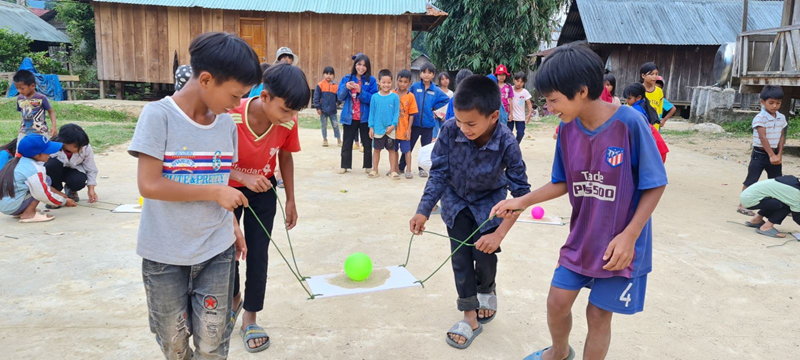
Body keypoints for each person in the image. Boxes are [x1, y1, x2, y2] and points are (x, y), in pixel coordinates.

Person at [492, 43, 667, 360]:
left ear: (583, 91)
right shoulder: (567, 129)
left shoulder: (629, 123)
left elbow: (655, 184)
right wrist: (522, 201)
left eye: (553, 99)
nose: (549, 106)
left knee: (598, 316)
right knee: (556, 303)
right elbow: (562, 181)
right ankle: (559, 352)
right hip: (582, 239)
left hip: (620, 246)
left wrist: (630, 236)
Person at [127, 32, 259, 359]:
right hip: (164, 255)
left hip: (216, 250)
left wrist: (232, 224)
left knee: (213, 342)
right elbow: (150, 185)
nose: (237, 104)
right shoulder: (158, 116)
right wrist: (216, 193)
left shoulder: (226, 126)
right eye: (234, 95)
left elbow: (217, 178)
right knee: (173, 343)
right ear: (206, 79)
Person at [409, 75, 530, 349]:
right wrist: (423, 210)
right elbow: (438, 173)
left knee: (485, 256)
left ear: (493, 116)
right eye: (460, 121)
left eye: (471, 123)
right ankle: (469, 315)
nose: (463, 128)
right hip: (456, 203)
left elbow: (521, 194)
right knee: (460, 258)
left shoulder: (507, 143)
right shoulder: (451, 130)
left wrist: (499, 234)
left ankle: (487, 287)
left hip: (490, 206)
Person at [227, 62, 309, 352]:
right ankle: (234, 299)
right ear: (264, 97)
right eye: (286, 110)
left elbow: (285, 157)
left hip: (264, 190)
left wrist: (290, 199)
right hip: (227, 190)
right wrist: (243, 177)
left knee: (258, 252)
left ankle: (250, 316)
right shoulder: (232, 116)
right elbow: (213, 163)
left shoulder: (288, 122)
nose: (291, 118)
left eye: (295, 112)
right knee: (229, 251)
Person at [0, 134, 75, 222]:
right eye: (47, 151)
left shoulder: (16, 162)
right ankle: (29, 214)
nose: (50, 154)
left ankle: (24, 210)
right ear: (36, 155)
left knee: (45, 180)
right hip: (13, 206)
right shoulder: (34, 169)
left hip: (6, 205)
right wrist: (64, 202)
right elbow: (42, 193)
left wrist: (58, 194)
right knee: (40, 187)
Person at [738, 85, 787, 216]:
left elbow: (782, 136)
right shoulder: (760, 118)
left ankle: (780, 205)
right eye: (771, 103)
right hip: (760, 154)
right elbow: (762, 137)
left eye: (778, 103)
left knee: (777, 180)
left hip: (775, 154)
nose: (775, 106)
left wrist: (779, 154)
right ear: (762, 102)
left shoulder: (781, 117)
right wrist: (771, 154)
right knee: (752, 179)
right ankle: (742, 205)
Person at [399, 62, 450, 177]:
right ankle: (401, 166)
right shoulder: (414, 87)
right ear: (420, 74)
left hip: (428, 124)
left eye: (429, 73)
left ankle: (421, 169)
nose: (426, 75)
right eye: (424, 72)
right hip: (414, 123)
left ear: (433, 75)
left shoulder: (436, 90)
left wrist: (435, 109)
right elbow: (406, 96)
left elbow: (446, 100)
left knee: (425, 148)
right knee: (408, 146)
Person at [337, 53, 378, 174]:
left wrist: (361, 92)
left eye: (364, 65)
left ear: (368, 67)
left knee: (367, 142)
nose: (361, 67)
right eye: (359, 64)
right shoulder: (346, 79)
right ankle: (344, 165)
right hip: (350, 117)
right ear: (355, 65)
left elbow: (373, 99)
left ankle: (368, 166)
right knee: (347, 142)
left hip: (365, 117)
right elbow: (340, 97)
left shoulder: (371, 80)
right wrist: (346, 87)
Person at [44, 124, 99, 207]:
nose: (80, 149)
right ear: (64, 142)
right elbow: (40, 170)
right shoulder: (50, 147)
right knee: (51, 165)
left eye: (81, 146)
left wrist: (91, 189)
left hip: (73, 170)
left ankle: (71, 190)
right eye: (76, 146)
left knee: (78, 180)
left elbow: (91, 168)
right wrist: (58, 193)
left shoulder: (85, 147)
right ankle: (53, 195)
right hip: (54, 171)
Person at [367, 69, 401, 179]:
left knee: (392, 150)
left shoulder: (395, 97)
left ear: (392, 82)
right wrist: (371, 126)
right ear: (379, 82)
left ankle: (393, 171)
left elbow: (396, 113)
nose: (386, 85)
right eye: (383, 82)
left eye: (389, 82)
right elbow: (371, 113)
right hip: (377, 129)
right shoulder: (374, 97)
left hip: (391, 129)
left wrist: (393, 125)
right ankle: (375, 170)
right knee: (376, 150)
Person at [623, 84, 670, 163]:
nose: (626, 101)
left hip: (654, 149)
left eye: (629, 98)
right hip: (657, 146)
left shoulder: (636, 111)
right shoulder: (644, 105)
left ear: (638, 97)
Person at [13, 70, 57, 144]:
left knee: (44, 153)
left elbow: (51, 111)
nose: (19, 91)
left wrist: (54, 127)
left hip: (41, 132)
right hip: (24, 133)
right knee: (20, 152)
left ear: (32, 86)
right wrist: (20, 129)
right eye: (17, 88)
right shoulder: (20, 99)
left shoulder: (41, 98)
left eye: (22, 88)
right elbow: (23, 116)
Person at [394, 69, 419, 179]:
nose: (402, 84)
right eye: (400, 81)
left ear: (409, 83)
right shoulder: (392, 94)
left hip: (404, 130)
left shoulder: (411, 96)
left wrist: (409, 129)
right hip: (393, 129)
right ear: (396, 81)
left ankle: (408, 170)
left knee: (407, 151)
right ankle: (394, 169)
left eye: (405, 82)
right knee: (393, 150)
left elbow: (412, 114)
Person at [314, 66, 341, 147]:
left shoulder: (336, 86)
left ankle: (339, 139)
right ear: (323, 75)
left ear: (333, 76)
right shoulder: (320, 85)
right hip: (323, 110)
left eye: (331, 74)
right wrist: (318, 107)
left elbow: (339, 97)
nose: (328, 76)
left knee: (335, 125)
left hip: (333, 110)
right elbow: (316, 97)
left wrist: (337, 103)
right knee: (324, 125)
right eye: (326, 74)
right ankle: (325, 139)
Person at [509, 72, 533, 143]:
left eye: (521, 82)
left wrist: (529, 114)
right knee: (508, 133)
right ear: (514, 80)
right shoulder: (510, 89)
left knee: (520, 133)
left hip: (520, 117)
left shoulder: (525, 92)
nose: (519, 83)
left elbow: (529, 103)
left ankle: (515, 145)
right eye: (517, 81)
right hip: (510, 116)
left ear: (524, 83)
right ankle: (509, 147)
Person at [640, 62, 664, 129]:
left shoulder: (659, 91)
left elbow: (659, 109)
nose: (654, 76)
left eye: (656, 74)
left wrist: (661, 120)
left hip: (654, 127)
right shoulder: (637, 90)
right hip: (641, 126)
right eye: (651, 74)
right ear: (643, 76)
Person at [433, 72, 454, 138]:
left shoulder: (451, 93)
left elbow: (450, 106)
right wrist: (434, 112)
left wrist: (446, 115)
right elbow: (433, 102)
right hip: (435, 115)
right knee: (434, 133)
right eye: (443, 79)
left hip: (445, 116)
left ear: (449, 80)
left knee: (444, 133)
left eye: (447, 78)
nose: (445, 81)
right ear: (439, 81)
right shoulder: (437, 91)